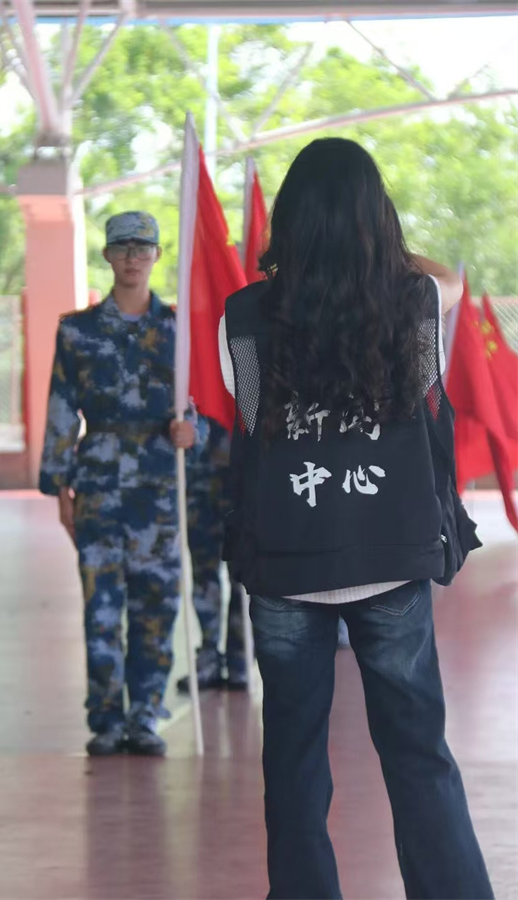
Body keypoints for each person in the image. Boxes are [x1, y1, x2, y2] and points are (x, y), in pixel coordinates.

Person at [219, 139, 494, 899]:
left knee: (294, 763)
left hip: (287, 564)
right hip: (390, 557)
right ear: (378, 219)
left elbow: (247, 417)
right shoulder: (414, 306)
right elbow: (448, 280)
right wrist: (386, 251)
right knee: (418, 755)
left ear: (290, 220)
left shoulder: (242, 317)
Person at [39, 211, 202, 758]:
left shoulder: (179, 330)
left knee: (157, 605)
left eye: (143, 247)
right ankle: (106, 718)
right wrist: (59, 486)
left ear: (157, 255)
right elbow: (62, 407)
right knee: (102, 607)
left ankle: (145, 715)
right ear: (107, 255)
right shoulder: (78, 331)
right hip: (99, 484)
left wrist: (193, 431)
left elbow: (199, 405)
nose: (133, 257)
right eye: (123, 247)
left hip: (159, 486)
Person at [177, 417, 247, 693]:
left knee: (243, 578)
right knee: (203, 575)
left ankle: (241, 658)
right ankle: (208, 658)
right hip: (200, 480)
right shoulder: (192, 387)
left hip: (241, 482)